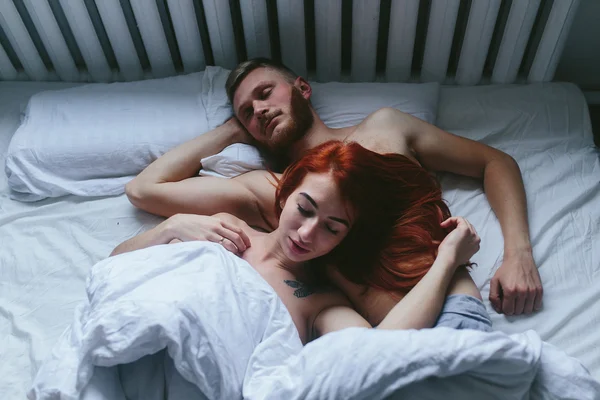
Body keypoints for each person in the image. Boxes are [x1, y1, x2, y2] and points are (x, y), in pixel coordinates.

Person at [125, 57, 542, 316]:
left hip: (453, 303)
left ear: (302, 88)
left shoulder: (386, 129)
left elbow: (495, 162)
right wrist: (230, 132)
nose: (260, 111)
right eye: (248, 112)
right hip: (381, 340)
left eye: (266, 93)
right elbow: (145, 189)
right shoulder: (269, 189)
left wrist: (518, 254)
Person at [113, 141, 488, 343]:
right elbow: (113, 267)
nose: (307, 234)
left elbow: (379, 351)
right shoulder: (225, 225)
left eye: (332, 228)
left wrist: (447, 259)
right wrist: (170, 228)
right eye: (305, 208)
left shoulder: (320, 303)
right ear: (287, 194)